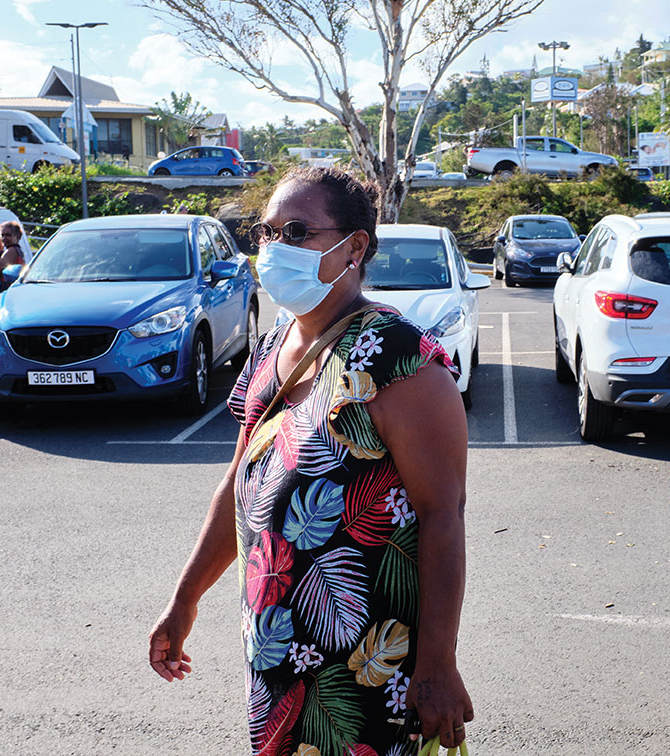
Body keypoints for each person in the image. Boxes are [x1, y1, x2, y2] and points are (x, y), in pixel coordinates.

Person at [148, 165, 473, 756]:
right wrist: (185, 597)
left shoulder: (398, 359)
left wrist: (437, 665)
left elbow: (443, 518)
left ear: (355, 248)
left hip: (369, 677)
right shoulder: (271, 347)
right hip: (278, 662)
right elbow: (240, 482)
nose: (275, 248)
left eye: (297, 231)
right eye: (267, 232)